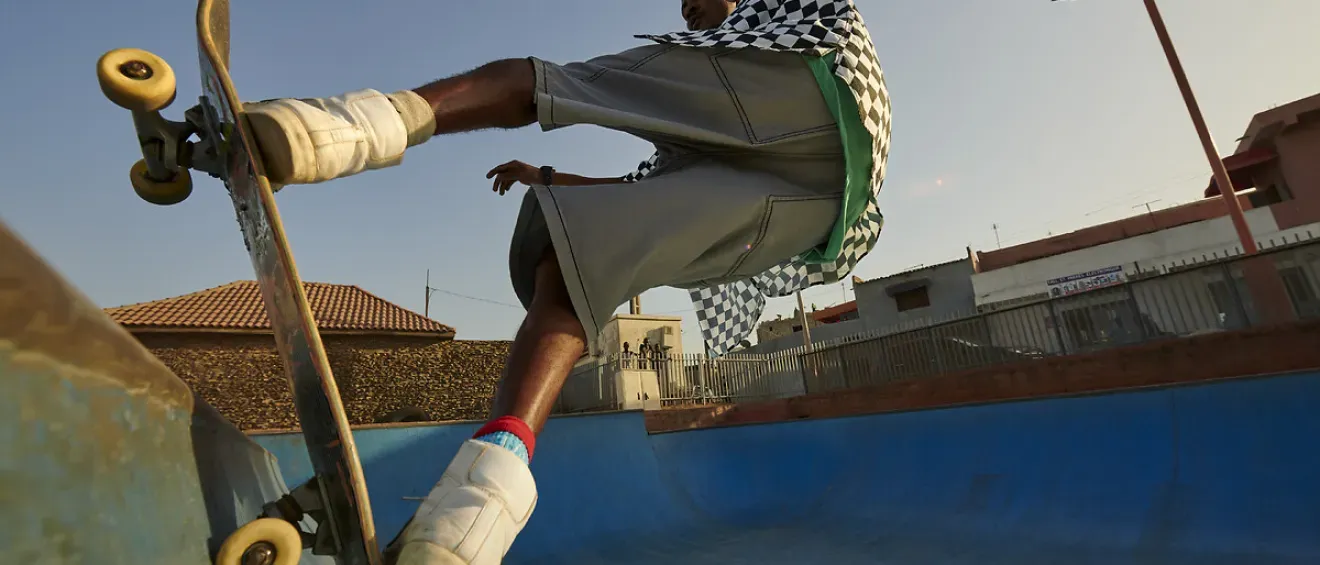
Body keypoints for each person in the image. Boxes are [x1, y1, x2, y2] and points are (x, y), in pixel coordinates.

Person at [243, 1, 890, 562]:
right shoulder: (689, 145)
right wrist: (545, 175)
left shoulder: (766, 33)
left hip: (815, 80)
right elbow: (632, 193)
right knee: (580, 258)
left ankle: (347, 127)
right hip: (815, 208)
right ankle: (476, 507)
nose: (687, 7)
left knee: (570, 83)